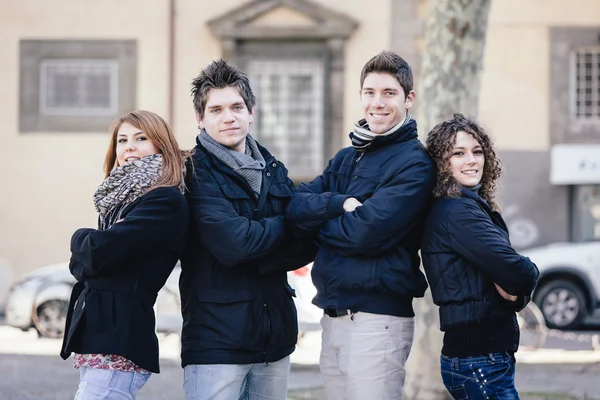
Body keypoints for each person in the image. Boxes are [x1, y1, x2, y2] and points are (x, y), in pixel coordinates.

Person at [285, 51, 435, 400]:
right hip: (333, 316)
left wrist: (315, 223)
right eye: (370, 92)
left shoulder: (415, 163)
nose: (377, 103)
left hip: (377, 321)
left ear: (409, 99)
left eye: (388, 93)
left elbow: (364, 232)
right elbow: (294, 203)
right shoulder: (348, 156)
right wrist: (339, 205)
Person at [180, 59, 316, 400]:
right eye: (217, 110)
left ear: (251, 111)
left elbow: (306, 245)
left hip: (275, 341)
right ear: (200, 118)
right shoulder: (194, 174)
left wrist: (264, 247)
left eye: (237, 107)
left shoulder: (273, 169)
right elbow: (236, 245)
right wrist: (286, 227)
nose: (229, 117)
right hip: (216, 344)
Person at [60, 110, 190, 399]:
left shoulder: (164, 199)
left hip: (120, 335)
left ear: (161, 145)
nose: (129, 146)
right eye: (122, 140)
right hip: (101, 334)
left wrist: (79, 237)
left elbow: (98, 252)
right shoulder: (122, 200)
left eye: (141, 138)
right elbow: (84, 263)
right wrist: (92, 250)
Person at [421, 113, 540, 399]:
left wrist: (515, 295)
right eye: (458, 153)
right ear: (442, 164)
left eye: (477, 151)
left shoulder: (466, 207)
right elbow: (519, 272)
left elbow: (509, 280)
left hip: (479, 356)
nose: (472, 160)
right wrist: (523, 281)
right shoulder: (458, 212)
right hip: (479, 358)